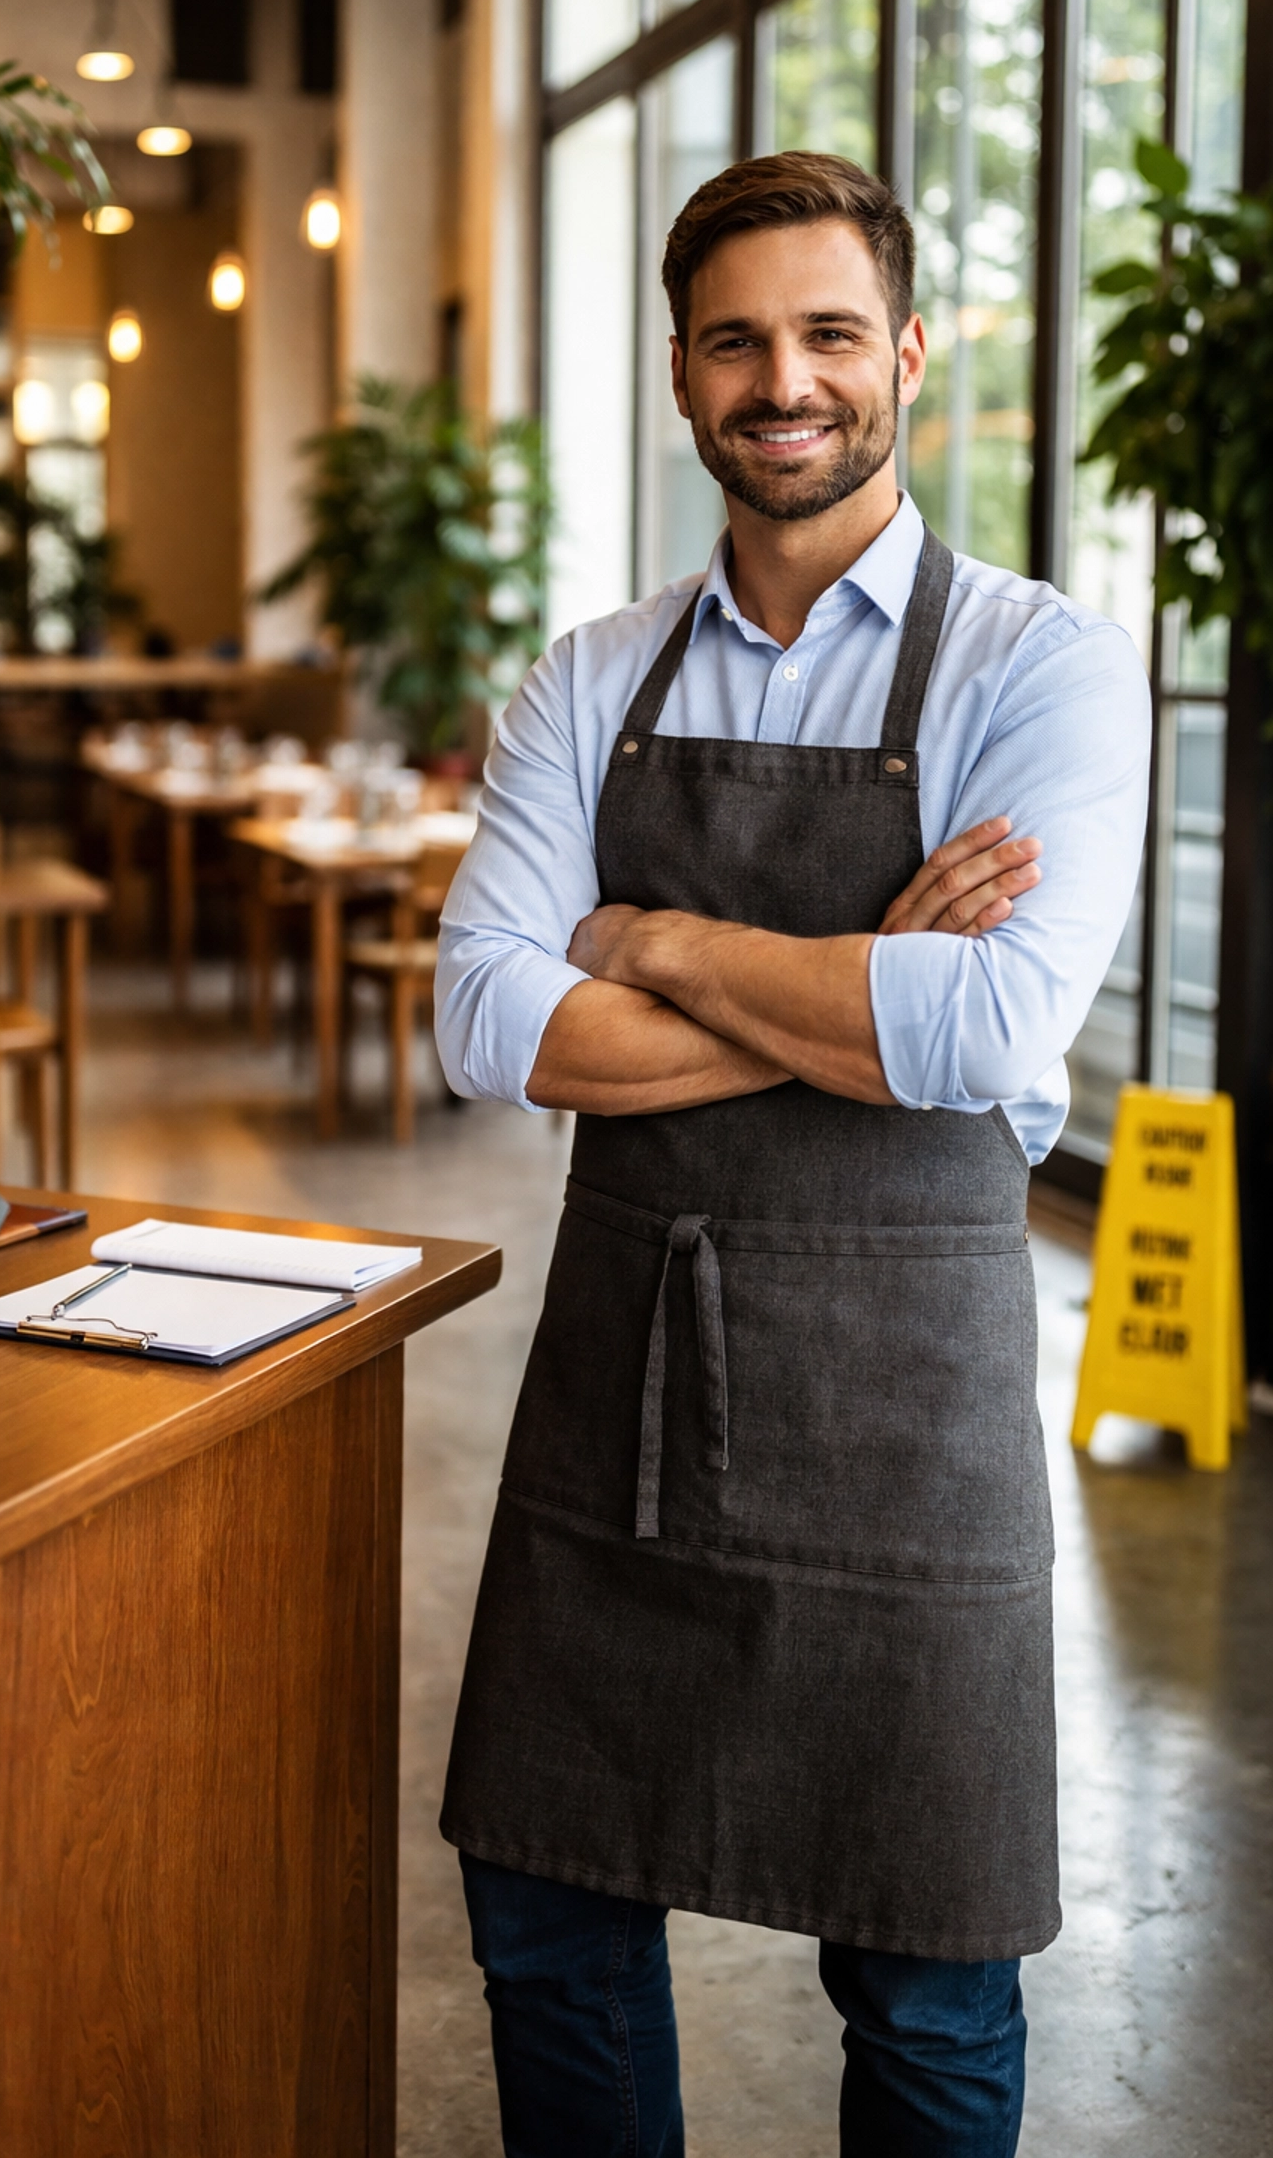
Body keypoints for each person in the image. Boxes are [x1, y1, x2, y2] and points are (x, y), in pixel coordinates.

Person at [433, 153, 1152, 2158]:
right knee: (546, 1905)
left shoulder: (1043, 668)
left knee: (928, 1974)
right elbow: (488, 1023)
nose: (788, 380)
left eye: (831, 333)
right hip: (622, 1400)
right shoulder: (593, 678)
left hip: (911, 1423)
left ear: (905, 356)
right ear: (682, 377)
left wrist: (648, 943)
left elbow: (987, 1031)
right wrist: (842, 996)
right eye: (739, 339)